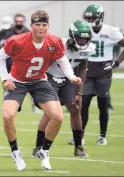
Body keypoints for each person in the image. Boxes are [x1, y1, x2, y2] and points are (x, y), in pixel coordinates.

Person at [0, 10, 82, 171]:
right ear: (31, 26)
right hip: (17, 82)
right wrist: (5, 78)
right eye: (37, 25)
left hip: (39, 81)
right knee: (8, 115)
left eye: (44, 25)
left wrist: (71, 77)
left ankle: (44, 151)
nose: (41, 28)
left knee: (57, 116)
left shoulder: (54, 41)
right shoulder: (17, 40)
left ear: (48, 26)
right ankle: (16, 152)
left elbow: (62, 60)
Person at [32, 20, 94, 157]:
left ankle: (78, 147)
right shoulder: (59, 44)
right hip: (50, 77)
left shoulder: (89, 49)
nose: (83, 41)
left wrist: (80, 92)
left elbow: (83, 68)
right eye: (79, 37)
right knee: (50, 113)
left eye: (85, 38)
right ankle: (38, 146)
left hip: (68, 79)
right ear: (72, 36)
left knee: (75, 108)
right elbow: (43, 62)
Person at [73, 4, 124, 145]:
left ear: (100, 17)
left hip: (103, 71)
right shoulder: (85, 30)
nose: (90, 20)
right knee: (83, 104)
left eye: (93, 17)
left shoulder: (111, 31)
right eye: (88, 17)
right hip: (87, 69)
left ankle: (102, 136)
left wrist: (116, 63)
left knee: (102, 105)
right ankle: (80, 135)